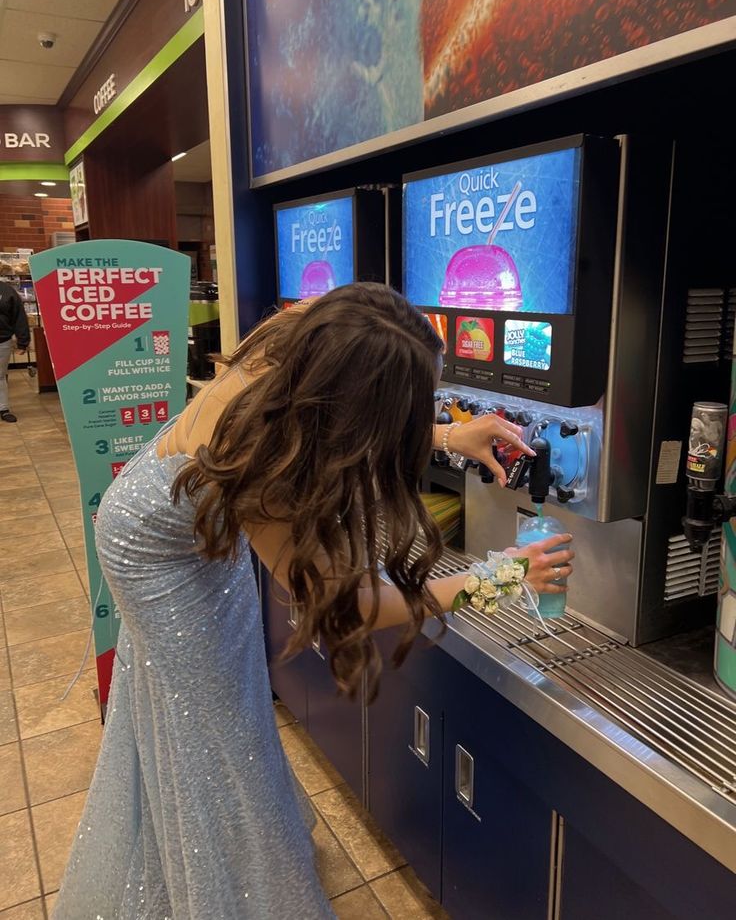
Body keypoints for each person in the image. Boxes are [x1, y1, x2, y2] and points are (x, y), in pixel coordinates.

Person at [53, 284, 573, 919]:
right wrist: (499, 576)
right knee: (215, 731)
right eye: (412, 409)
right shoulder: (264, 468)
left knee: (226, 700)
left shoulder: (308, 330)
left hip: (180, 510)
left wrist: (446, 436)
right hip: (155, 552)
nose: (422, 417)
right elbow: (352, 608)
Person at [0, 278, 31, 423]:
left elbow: (19, 316)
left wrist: (23, 341)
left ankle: (3, 409)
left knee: (0, 376)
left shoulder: (7, 291)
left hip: (2, 340)